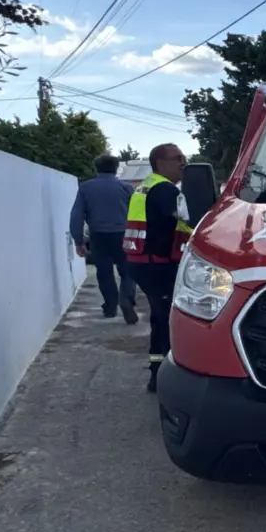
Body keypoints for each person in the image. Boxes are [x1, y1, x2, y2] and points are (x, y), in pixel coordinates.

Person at [124, 144, 193, 393]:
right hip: (157, 264)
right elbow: (186, 217)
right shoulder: (165, 189)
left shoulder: (146, 185)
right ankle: (166, 376)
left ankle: (157, 371)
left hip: (143, 262)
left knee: (160, 317)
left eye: (183, 157)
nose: (183, 162)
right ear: (160, 163)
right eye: (177, 158)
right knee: (168, 319)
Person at [70, 154, 139, 324]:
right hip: (124, 234)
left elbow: (77, 215)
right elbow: (136, 214)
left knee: (104, 272)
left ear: (96, 168)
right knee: (128, 271)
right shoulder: (126, 188)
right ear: (116, 168)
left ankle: (110, 306)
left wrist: (78, 241)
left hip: (99, 235)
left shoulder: (86, 188)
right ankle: (126, 299)